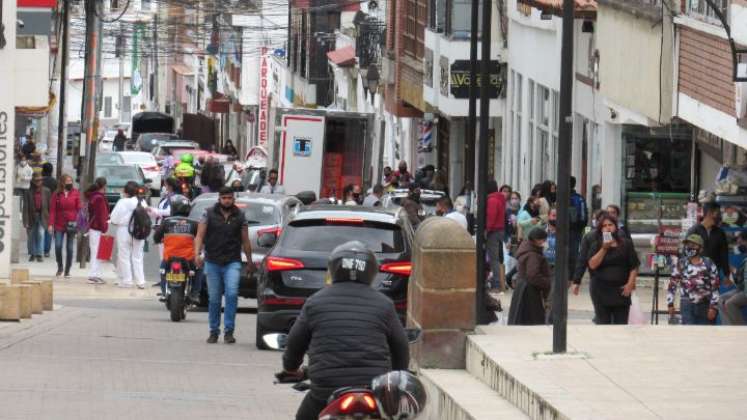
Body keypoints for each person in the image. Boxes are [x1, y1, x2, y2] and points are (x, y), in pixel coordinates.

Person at [280, 241, 409, 420]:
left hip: (325, 390)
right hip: (373, 389)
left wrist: (291, 368)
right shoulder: (385, 304)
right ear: (371, 271)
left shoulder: (315, 302)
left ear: (333, 269)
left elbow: (295, 344)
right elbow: (401, 347)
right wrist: (398, 378)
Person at [194, 187, 253, 344]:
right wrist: (197, 254)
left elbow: (246, 240)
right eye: (224, 197)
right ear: (219, 198)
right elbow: (199, 235)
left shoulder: (240, 216)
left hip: (232, 262)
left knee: (232, 294)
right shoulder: (208, 213)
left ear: (233, 199)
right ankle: (214, 331)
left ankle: (229, 331)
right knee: (214, 299)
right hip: (212, 261)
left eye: (229, 198)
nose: (227, 200)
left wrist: (250, 262)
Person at [574, 213, 639, 324]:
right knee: (603, 323)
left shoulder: (625, 243)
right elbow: (592, 264)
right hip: (601, 290)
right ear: (600, 229)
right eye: (604, 226)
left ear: (616, 227)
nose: (608, 228)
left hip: (621, 290)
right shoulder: (596, 244)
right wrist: (604, 248)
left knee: (621, 324)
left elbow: (634, 265)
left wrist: (630, 284)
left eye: (610, 225)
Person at [153, 195, 201, 302]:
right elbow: (200, 238)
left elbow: (156, 236)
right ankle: (194, 294)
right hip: (189, 258)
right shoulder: (194, 223)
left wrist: (157, 240)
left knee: (163, 272)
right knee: (199, 270)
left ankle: (164, 293)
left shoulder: (166, 222)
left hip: (169, 257)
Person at [667, 235, 719, 325]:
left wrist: (713, 307)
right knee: (689, 335)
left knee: (705, 335)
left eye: (693, 245)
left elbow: (715, 287)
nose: (690, 247)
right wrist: (670, 304)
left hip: (705, 305)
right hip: (687, 304)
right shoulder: (681, 263)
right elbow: (672, 284)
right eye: (688, 245)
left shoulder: (709, 263)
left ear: (701, 249)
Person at [109, 181, 148, 289]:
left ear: (126, 191)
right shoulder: (142, 202)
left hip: (124, 230)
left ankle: (127, 280)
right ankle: (140, 281)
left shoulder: (122, 202)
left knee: (124, 256)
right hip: (139, 231)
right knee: (138, 256)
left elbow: (114, 218)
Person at [508, 228, 551, 325]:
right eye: (544, 240)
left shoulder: (526, 250)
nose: (545, 242)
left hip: (523, 287)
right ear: (537, 240)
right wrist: (547, 282)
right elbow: (533, 275)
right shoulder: (533, 255)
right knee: (532, 320)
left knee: (521, 318)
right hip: (529, 291)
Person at [687, 202, 730, 281]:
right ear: (709, 213)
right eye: (718, 213)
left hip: (714, 276)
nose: (719, 216)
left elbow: (724, 255)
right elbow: (687, 254)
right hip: (696, 277)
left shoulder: (720, 233)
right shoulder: (694, 231)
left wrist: (726, 275)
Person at [48, 174, 81, 278]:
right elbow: (52, 210)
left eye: (71, 181)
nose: (69, 183)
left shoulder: (76, 192)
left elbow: (79, 208)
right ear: (62, 182)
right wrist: (50, 224)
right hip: (59, 223)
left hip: (72, 223)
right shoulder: (56, 194)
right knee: (58, 246)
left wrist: (79, 222)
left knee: (70, 248)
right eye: (67, 181)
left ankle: (67, 270)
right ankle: (60, 266)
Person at [85, 178, 109, 284]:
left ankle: (95, 274)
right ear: (103, 186)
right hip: (97, 228)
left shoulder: (94, 197)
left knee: (96, 251)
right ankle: (94, 275)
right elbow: (100, 215)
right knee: (96, 252)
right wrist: (104, 227)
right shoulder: (99, 198)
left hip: (94, 227)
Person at [22, 174, 51, 262]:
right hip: (31, 216)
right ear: (33, 181)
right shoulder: (28, 191)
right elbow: (25, 207)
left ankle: (39, 254)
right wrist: (25, 220)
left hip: (43, 216)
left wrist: (50, 220)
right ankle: (32, 253)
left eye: (40, 180)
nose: (38, 182)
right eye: (36, 180)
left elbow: (49, 206)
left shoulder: (47, 191)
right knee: (31, 235)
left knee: (41, 234)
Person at [486, 180, 506, 291]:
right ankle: (498, 282)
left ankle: (497, 285)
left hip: (493, 231)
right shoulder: (499, 198)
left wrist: (486, 231)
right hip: (500, 230)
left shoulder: (492, 200)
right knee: (497, 258)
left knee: (494, 259)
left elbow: (491, 218)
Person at [569, 176, 589, 278]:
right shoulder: (579, 198)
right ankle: (572, 274)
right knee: (574, 251)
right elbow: (584, 217)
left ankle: (570, 274)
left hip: (570, 230)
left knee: (571, 252)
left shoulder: (564, 198)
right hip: (576, 230)